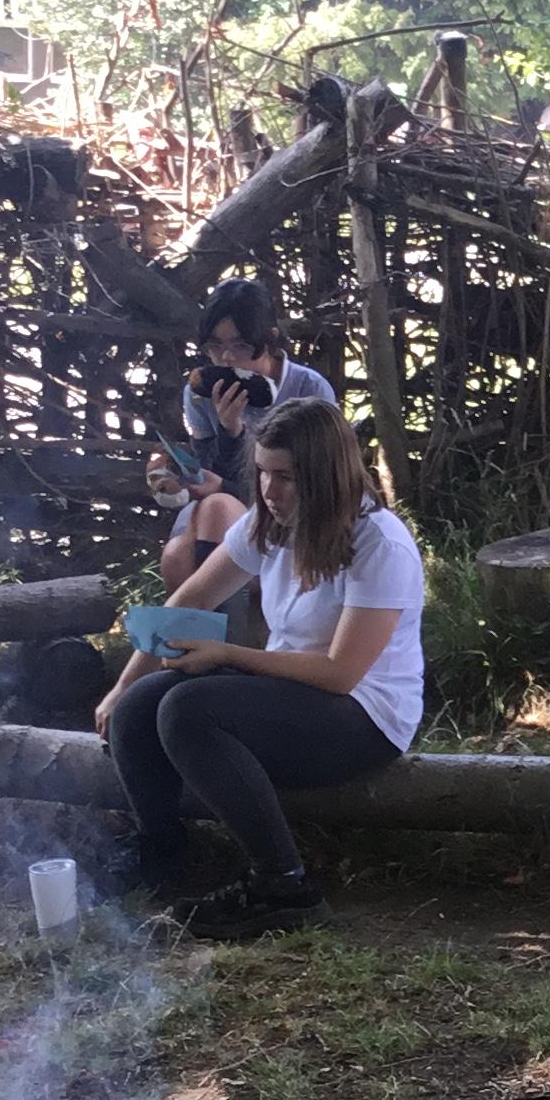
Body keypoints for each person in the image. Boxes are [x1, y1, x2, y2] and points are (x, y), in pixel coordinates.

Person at [96, 396, 430, 942]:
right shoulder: (268, 523)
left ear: (326, 477)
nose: (270, 491)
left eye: (287, 477)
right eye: (263, 473)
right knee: (139, 706)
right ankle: (162, 852)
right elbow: (190, 599)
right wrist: (121, 686)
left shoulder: (380, 544)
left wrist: (229, 655)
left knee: (187, 710)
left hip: (365, 716)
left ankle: (283, 885)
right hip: (288, 691)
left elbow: (340, 673)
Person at [151, 278, 338, 590]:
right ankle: (199, 620)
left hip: (288, 507)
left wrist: (233, 436)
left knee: (217, 509)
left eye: (240, 346)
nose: (226, 358)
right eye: (215, 346)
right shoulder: (200, 394)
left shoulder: (309, 389)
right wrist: (182, 472)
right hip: (222, 500)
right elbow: (210, 473)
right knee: (176, 557)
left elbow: (315, 482)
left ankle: (222, 617)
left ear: (270, 339)